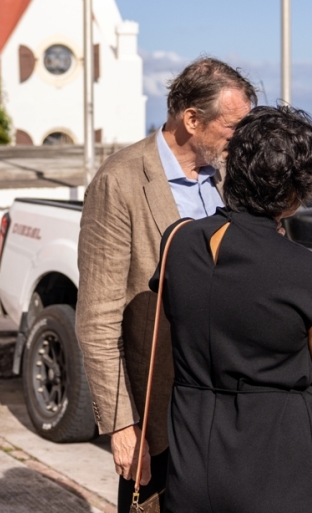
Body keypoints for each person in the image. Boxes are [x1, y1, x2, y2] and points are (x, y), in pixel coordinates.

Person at [76, 57, 256, 513]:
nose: (241, 140)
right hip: (160, 411)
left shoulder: (230, 176)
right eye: (234, 127)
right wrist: (121, 425)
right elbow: (98, 318)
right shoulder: (121, 180)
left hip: (224, 410)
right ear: (192, 120)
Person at [152, 105, 312, 513]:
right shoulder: (305, 269)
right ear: (297, 188)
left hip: (192, 454)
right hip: (274, 461)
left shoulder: (179, 241)